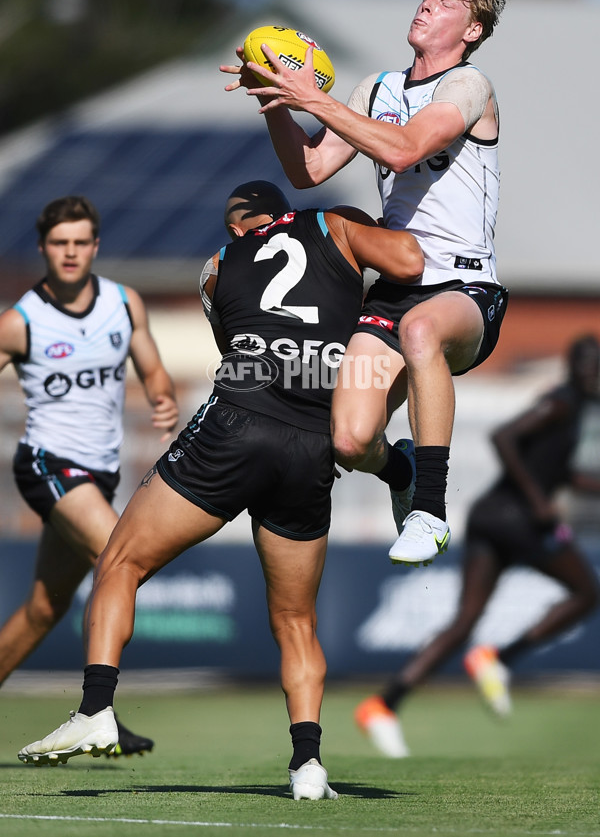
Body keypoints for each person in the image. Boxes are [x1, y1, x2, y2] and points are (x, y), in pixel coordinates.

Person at [17, 181, 424, 799]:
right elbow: (408, 261)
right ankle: (308, 767)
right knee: (295, 619)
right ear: (284, 212)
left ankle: (96, 708)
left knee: (120, 563)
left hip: (236, 427)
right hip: (312, 443)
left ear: (236, 227)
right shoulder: (332, 227)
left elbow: (235, 348)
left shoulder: (214, 268)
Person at [221, 0, 510, 569]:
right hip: (396, 289)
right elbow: (309, 171)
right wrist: (277, 100)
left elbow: (404, 150)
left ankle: (431, 509)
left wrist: (310, 98)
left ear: (472, 30)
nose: (428, 1)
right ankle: (399, 466)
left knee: (422, 328)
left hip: (463, 288)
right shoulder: (372, 90)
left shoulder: (468, 85)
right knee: (351, 440)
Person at [354, 334, 600, 757]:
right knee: (588, 592)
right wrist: (539, 500)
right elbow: (504, 437)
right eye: (589, 366)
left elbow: (557, 471)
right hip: (516, 519)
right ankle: (499, 659)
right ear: (575, 368)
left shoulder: (576, 408)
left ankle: (382, 705)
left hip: (494, 517)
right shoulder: (562, 402)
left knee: (464, 621)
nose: (593, 375)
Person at [0, 195, 179, 756]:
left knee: (44, 610)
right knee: (118, 558)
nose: (71, 252)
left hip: (97, 474)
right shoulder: (19, 321)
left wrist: (163, 400)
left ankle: (98, 710)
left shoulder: (123, 304)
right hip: (48, 464)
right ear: (44, 248)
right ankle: (95, 709)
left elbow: (152, 369)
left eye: (80, 242)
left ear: (96, 246)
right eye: (60, 243)